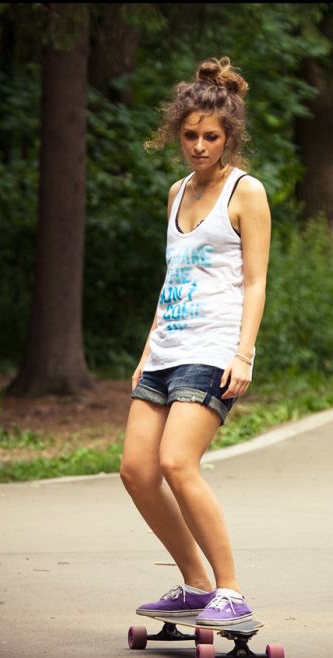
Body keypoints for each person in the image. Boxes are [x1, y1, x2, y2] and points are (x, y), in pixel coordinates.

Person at [120, 56, 271, 626]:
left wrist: (244, 352)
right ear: (175, 133)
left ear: (229, 137)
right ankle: (196, 583)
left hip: (212, 352)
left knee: (177, 462)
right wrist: (144, 355)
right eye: (190, 135)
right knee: (136, 469)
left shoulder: (246, 191)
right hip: (165, 350)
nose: (199, 146)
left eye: (211, 136)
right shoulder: (176, 192)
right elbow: (172, 280)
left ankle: (231, 590)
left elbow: (255, 280)